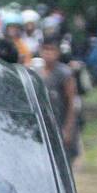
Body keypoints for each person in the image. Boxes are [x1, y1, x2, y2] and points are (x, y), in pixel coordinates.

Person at [39, 36, 80, 165]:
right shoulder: (36, 72)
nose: (48, 54)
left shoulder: (64, 74)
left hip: (61, 123)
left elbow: (72, 103)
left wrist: (68, 129)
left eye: (52, 50)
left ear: (58, 53)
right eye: (45, 50)